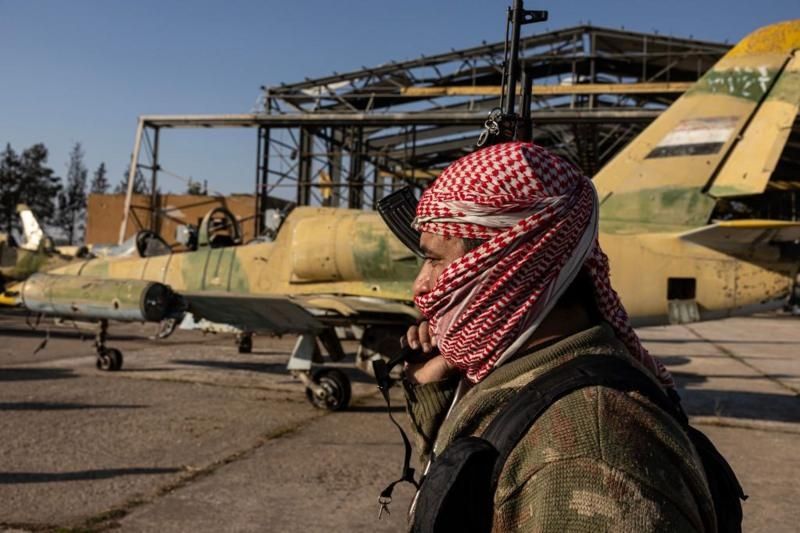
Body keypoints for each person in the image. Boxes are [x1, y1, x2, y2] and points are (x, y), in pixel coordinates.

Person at [401, 141, 716, 531]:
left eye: (435, 260)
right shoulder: (528, 377)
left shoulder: (588, 453)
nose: (421, 286)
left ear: (508, 265)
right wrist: (436, 393)